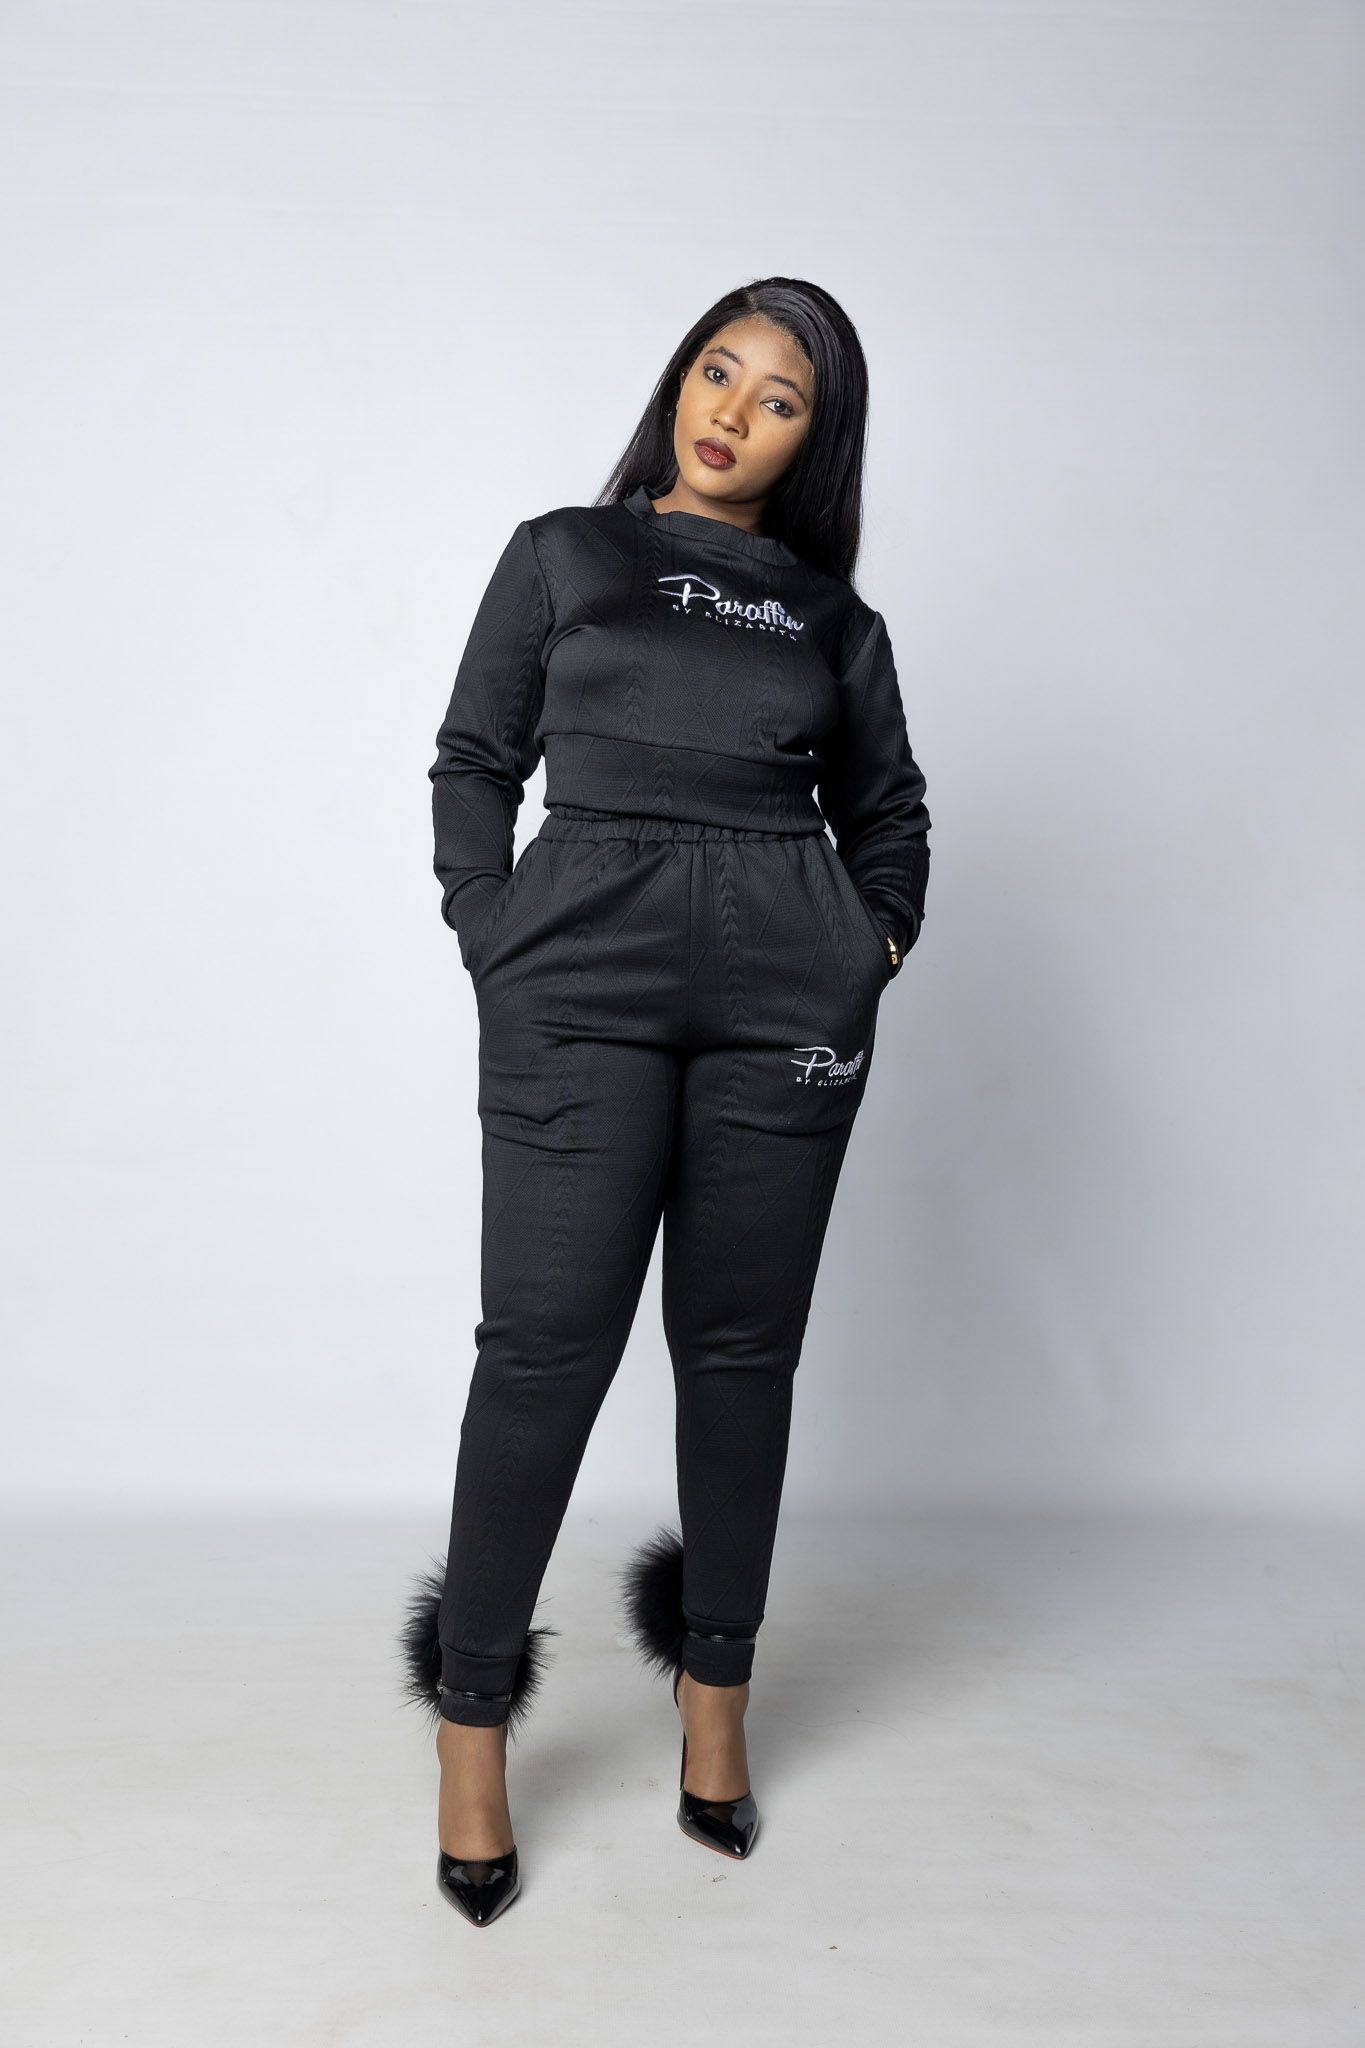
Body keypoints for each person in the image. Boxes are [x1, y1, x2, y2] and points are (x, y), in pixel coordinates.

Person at [402, 277, 930, 1926]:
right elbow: (473, 756)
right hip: (579, 976)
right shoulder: (564, 555)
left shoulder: (835, 622)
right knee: (543, 1347)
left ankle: (716, 1702)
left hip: (786, 986)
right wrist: (491, 928)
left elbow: (890, 810)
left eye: (779, 400)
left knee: (740, 1354)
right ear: (678, 381)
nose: (733, 413)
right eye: (718, 372)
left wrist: (865, 942)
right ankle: (472, 1728)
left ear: (811, 443)